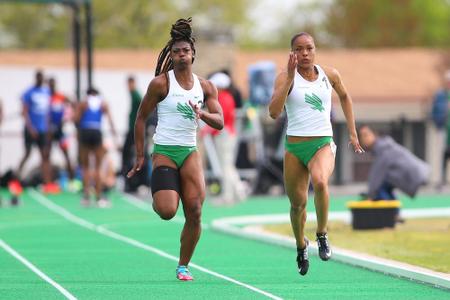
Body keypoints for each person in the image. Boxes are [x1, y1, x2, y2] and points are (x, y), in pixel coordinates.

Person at [127, 18, 224, 281]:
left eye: (186, 51)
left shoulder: (206, 87)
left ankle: (183, 265)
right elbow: (140, 118)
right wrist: (139, 155)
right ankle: (164, 191)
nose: (182, 55)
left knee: (195, 211)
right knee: (168, 211)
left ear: (193, 54)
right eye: (177, 51)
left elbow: (221, 122)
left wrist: (201, 114)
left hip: (189, 152)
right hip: (165, 152)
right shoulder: (161, 84)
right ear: (171, 54)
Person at [268, 32, 364, 276]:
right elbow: (273, 112)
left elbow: (345, 96)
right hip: (294, 147)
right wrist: (289, 78)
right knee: (297, 205)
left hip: (322, 143)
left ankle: (322, 234)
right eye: (299, 49)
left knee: (321, 181)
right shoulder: (284, 78)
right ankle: (301, 245)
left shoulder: (329, 75)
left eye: (309, 48)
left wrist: (352, 132)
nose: (304, 53)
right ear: (292, 53)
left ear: (315, 49)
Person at [358, 125, 430, 201]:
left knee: (379, 189)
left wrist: (370, 195)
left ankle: (390, 211)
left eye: (366, 135)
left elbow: (377, 175)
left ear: (374, 134)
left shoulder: (382, 148)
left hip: (417, 177)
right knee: (383, 186)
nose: (364, 139)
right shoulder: (382, 147)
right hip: (418, 174)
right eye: (361, 137)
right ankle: (392, 210)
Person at [208, 72, 247, 205]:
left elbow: (220, 119)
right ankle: (239, 192)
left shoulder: (223, 98)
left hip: (224, 134)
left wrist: (208, 129)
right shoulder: (227, 97)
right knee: (228, 166)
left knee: (226, 166)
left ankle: (228, 196)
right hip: (227, 133)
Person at [75, 87, 117, 208]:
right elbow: (110, 120)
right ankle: (98, 197)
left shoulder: (83, 103)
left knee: (86, 166)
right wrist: (116, 138)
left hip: (85, 131)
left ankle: (86, 197)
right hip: (96, 131)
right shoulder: (102, 103)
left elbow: (76, 119)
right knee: (98, 166)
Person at [18, 70, 54, 191]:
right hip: (31, 129)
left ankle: (47, 183)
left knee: (45, 155)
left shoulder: (46, 92)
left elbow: (48, 113)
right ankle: (16, 178)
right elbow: (24, 112)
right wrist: (31, 127)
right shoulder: (29, 92)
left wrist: (48, 127)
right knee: (27, 154)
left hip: (43, 129)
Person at [48, 77, 74, 182]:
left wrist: (67, 118)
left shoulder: (60, 96)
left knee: (66, 153)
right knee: (47, 154)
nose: (52, 87)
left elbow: (72, 103)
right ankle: (48, 181)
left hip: (60, 130)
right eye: (50, 85)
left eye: (53, 84)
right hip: (49, 131)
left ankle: (72, 179)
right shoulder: (46, 97)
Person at [121, 76, 142, 184]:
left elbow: (142, 104)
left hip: (134, 130)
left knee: (128, 154)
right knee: (127, 154)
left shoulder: (136, 95)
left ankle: (132, 181)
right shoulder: (133, 95)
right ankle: (128, 180)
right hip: (132, 129)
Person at [431, 70, 450, 188]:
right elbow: (434, 113)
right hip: (443, 131)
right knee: (442, 155)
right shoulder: (440, 96)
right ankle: (441, 180)